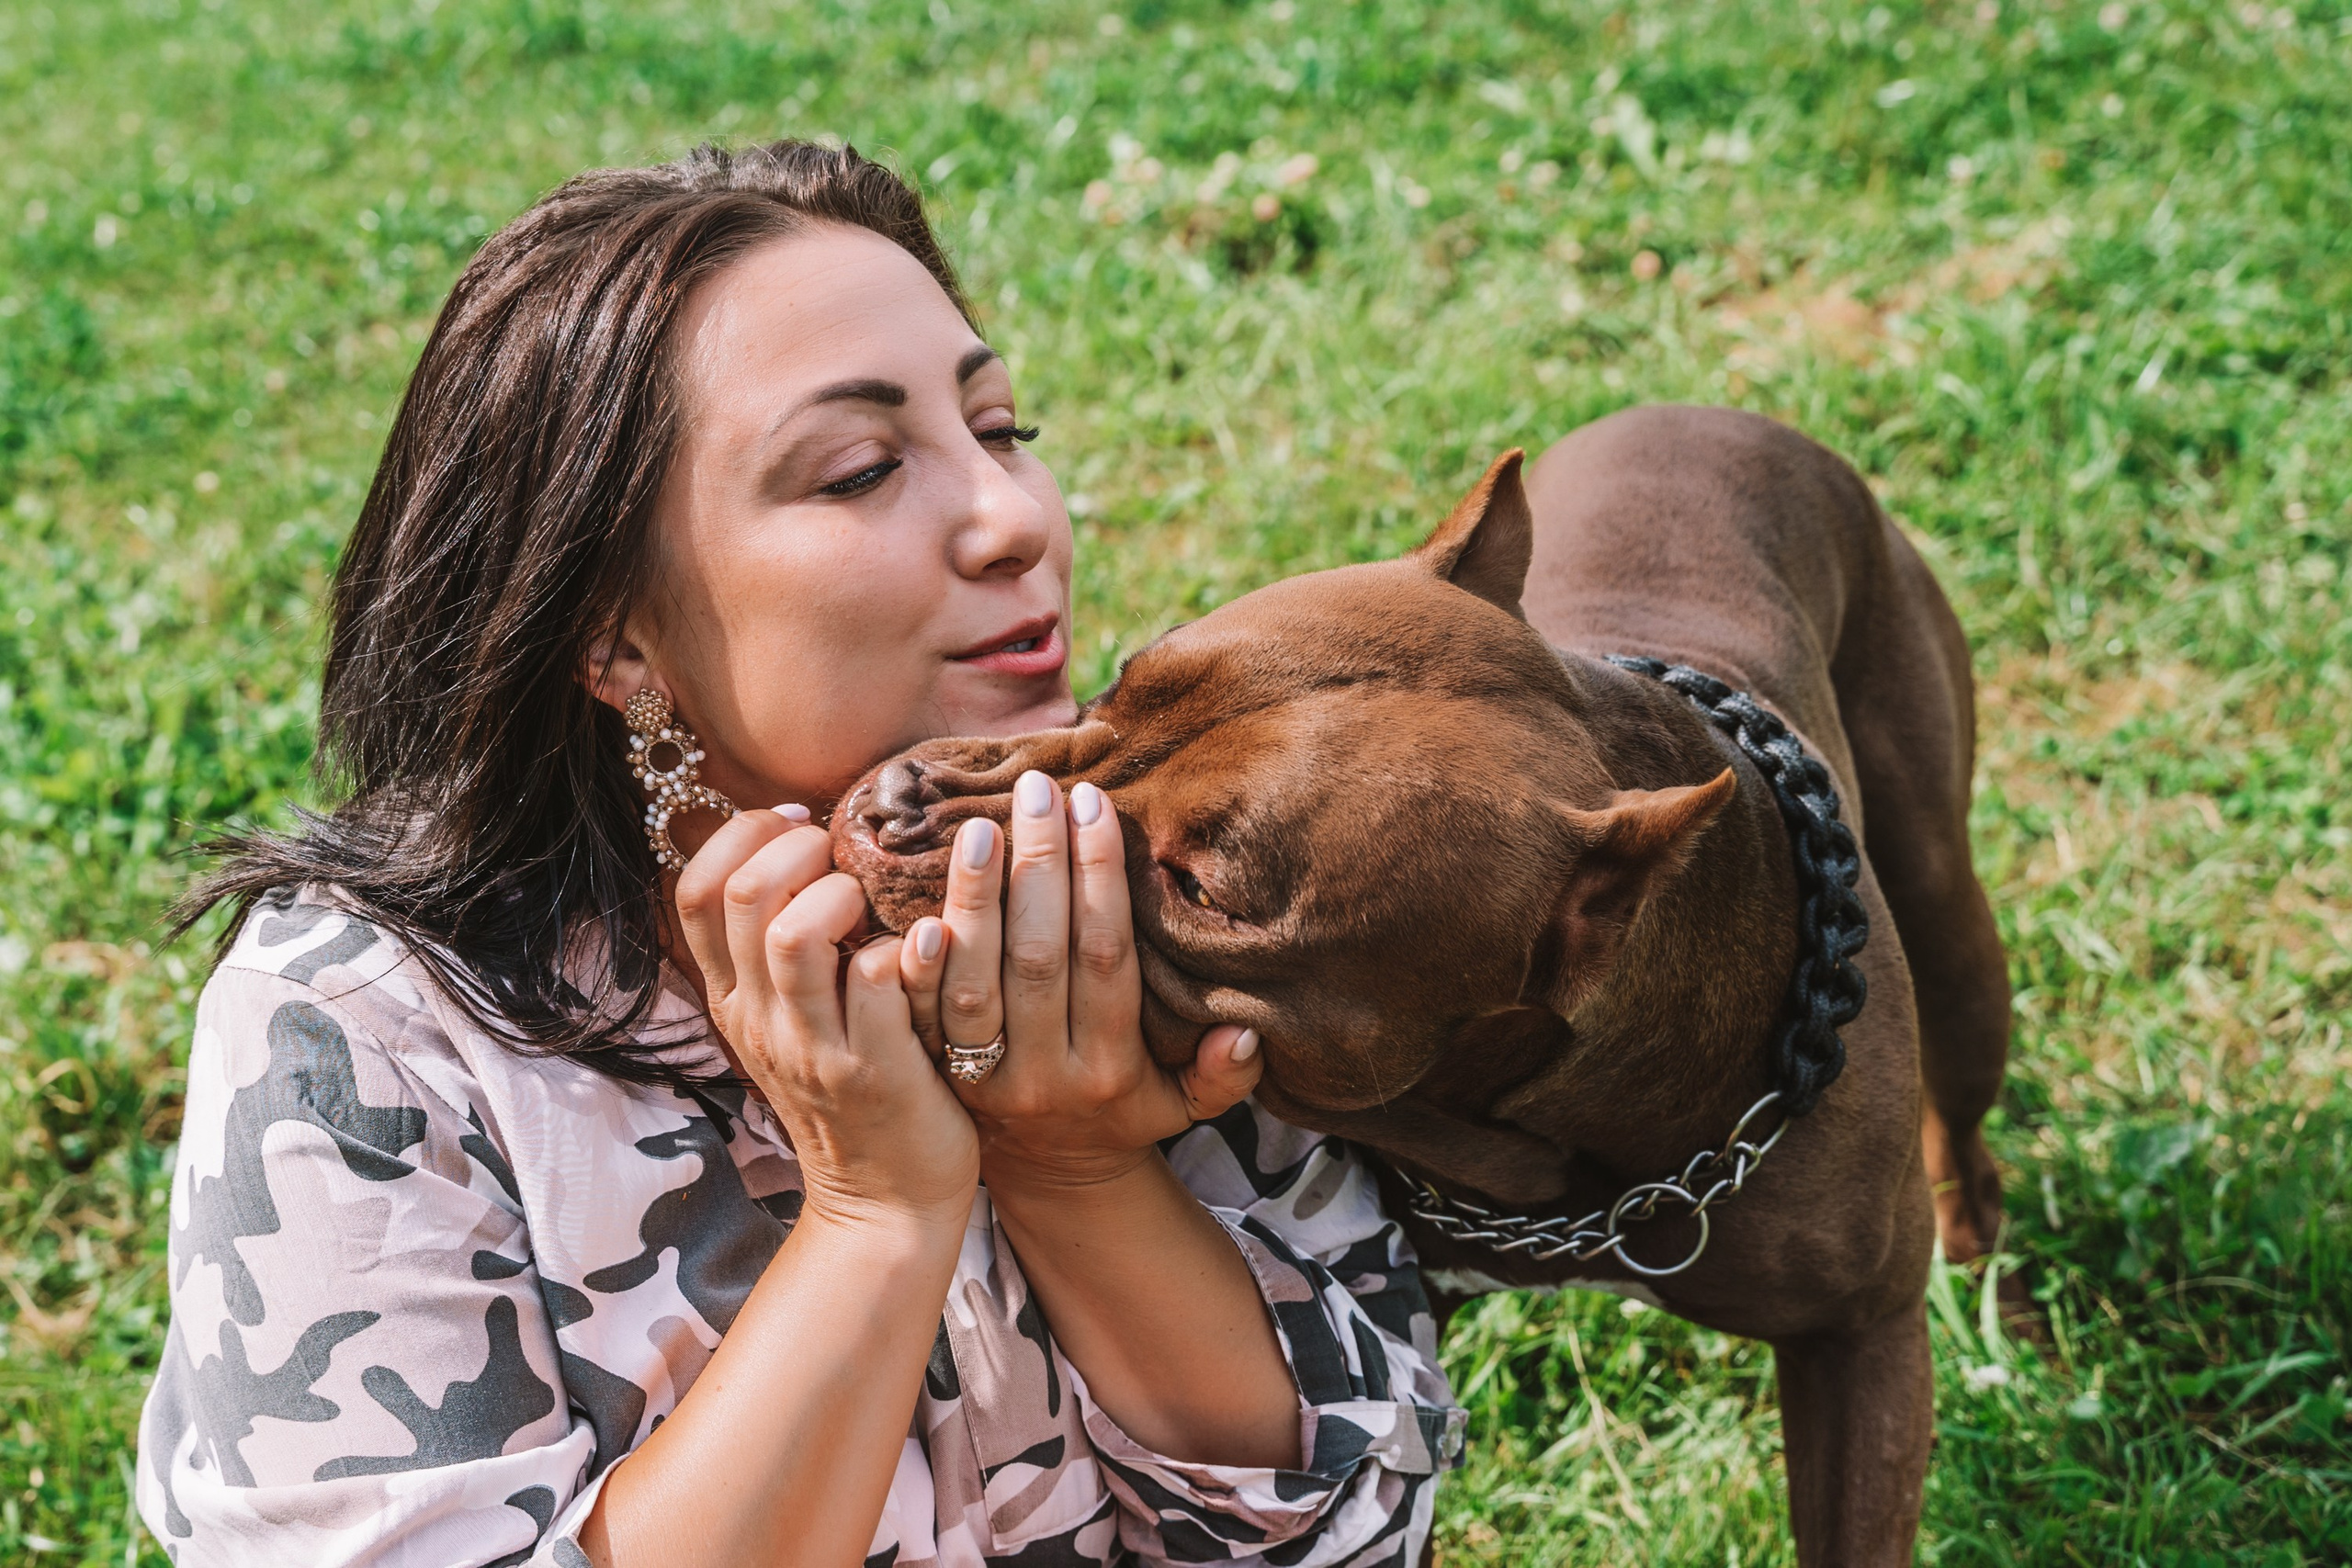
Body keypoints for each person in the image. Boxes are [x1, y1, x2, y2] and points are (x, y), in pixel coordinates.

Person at [136, 139, 1463, 1568]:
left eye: (1002, 428)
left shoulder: (1142, 868)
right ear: (615, 637)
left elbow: (1361, 1528)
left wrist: (1071, 1166)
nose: (1017, 518)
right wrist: (875, 1207)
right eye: (860, 469)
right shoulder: (371, 1035)